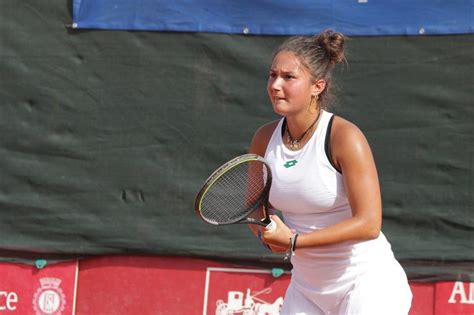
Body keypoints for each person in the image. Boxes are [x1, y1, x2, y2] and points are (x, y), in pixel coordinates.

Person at [249, 30, 412, 314]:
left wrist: (294, 242)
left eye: (289, 77)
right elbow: (253, 208)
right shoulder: (264, 139)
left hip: (368, 284)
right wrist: (266, 234)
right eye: (272, 75)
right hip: (307, 289)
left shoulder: (345, 137)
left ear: (317, 86)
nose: (275, 85)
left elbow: (369, 223)